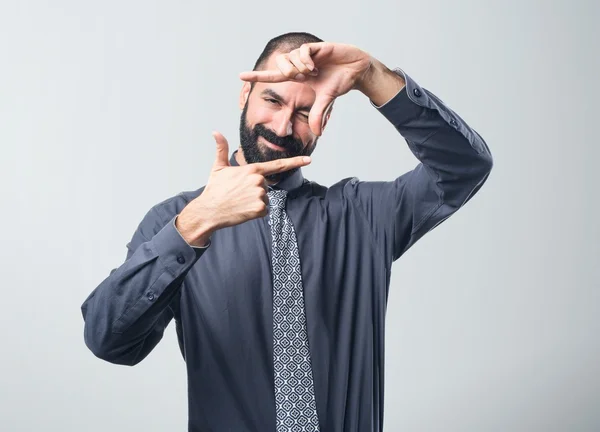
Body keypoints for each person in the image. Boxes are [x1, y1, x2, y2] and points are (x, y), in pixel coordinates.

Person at [81, 32, 493, 432]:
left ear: (323, 118)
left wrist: (371, 75)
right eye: (272, 99)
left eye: (302, 112)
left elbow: (464, 165)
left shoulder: (365, 214)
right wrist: (196, 223)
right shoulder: (177, 221)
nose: (281, 127)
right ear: (245, 95)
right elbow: (110, 341)